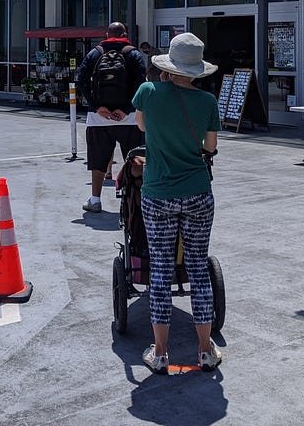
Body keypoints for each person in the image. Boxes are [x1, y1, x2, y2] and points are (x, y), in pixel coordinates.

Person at [131, 32, 222, 374]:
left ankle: (161, 352)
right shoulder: (207, 102)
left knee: (161, 270)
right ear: (197, 70)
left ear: (169, 65)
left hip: (158, 193)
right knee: (198, 268)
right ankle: (204, 350)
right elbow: (210, 147)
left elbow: (142, 125)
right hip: (198, 192)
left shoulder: (148, 92)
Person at [75, 21, 147, 213]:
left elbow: (81, 79)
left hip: (99, 119)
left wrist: (96, 106)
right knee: (135, 159)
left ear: (107, 35)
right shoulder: (133, 54)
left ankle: (95, 200)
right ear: (125, 34)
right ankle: (136, 200)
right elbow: (141, 84)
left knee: (98, 160)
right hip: (130, 118)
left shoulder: (95, 53)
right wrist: (125, 108)